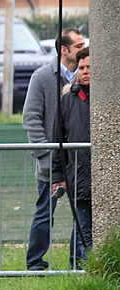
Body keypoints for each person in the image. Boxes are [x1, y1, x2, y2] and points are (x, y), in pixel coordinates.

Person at [22, 28, 86, 271]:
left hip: (80, 161)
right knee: (45, 213)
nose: (83, 49)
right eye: (79, 45)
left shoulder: (87, 75)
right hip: (51, 163)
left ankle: (78, 262)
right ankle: (35, 263)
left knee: (82, 215)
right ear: (64, 49)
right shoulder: (42, 77)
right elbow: (31, 118)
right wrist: (45, 152)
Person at [52, 47, 91, 269]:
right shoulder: (68, 100)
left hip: (103, 177)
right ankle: (80, 268)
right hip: (79, 175)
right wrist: (59, 176)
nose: (85, 72)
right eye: (81, 68)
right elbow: (58, 141)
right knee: (82, 224)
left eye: (89, 68)